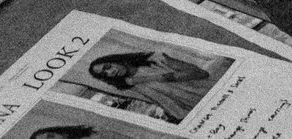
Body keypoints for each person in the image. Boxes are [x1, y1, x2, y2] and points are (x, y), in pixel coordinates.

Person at [80, 49, 218, 123]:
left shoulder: (156, 60)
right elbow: (170, 105)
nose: (110, 72)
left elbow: (201, 73)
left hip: (212, 93)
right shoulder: (129, 84)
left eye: (108, 66)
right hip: (197, 111)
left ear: (115, 60)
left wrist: (161, 77)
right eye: (105, 74)